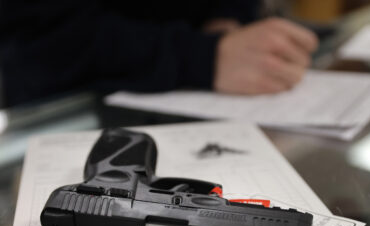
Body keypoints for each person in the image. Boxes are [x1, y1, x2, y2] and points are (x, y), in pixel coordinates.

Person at [0, 0, 318, 107]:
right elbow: (39, 39)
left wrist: (227, 17)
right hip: (67, 108)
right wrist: (202, 56)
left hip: (205, 97)